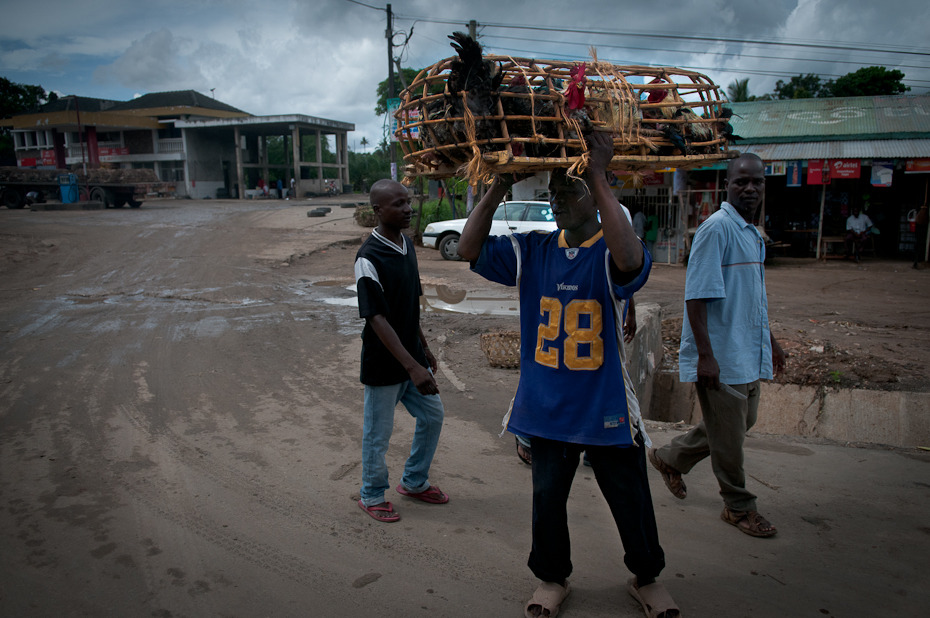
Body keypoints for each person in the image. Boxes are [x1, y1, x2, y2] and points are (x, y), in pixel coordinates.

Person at [458, 133, 678, 618]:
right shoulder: (533, 249)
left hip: (604, 403)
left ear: (594, 197)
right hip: (546, 406)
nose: (557, 200)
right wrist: (497, 186)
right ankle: (552, 578)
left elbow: (629, 262)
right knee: (547, 499)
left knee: (630, 499)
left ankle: (647, 577)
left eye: (568, 191)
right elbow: (466, 249)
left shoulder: (613, 247)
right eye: (552, 192)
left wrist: (597, 174)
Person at [648, 153, 785, 539]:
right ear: (728, 184)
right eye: (741, 181)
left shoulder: (752, 234)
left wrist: (770, 341)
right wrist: (706, 356)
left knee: (740, 424)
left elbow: (754, 297)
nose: (750, 188)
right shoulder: (716, 229)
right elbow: (696, 298)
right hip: (721, 356)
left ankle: (670, 457)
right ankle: (739, 506)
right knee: (730, 440)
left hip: (747, 350)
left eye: (756, 181)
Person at [354, 179, 449, 523]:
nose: (408, 209)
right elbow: (377, 317)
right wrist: (412, 367)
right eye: (398, 204)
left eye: (408, 202)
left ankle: (414, 481)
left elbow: (409, 305)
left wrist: (424, 350)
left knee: (432, 416)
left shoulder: (407, 245)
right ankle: (371, 494)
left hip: (413, 359)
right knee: (378, 434)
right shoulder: (368, 257)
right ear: (378, 211)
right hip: (385, 363)